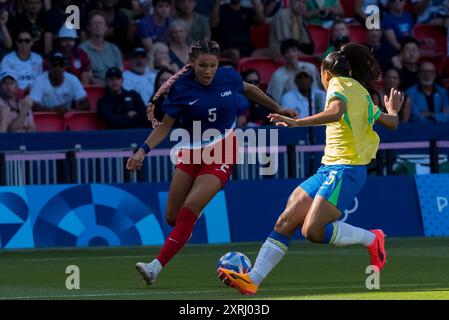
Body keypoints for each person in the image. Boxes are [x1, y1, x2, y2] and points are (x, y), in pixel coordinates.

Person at [218, 43, 404, 295]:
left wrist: (297, 122)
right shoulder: (360, 92)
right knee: (286, 220)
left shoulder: (338, 85)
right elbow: (390, 123)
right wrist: (392, 111)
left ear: (324, 74)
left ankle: (372, 239)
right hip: (328, 169)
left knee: (312, 231)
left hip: (346, 170)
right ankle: (252, 281)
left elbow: (336, 112)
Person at [126, 40, 296, 286]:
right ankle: (192, 214)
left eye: (213, 65)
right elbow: (165, 126)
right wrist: (142, 150)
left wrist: (277, 106)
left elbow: (248, 89)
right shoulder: (181, 88)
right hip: (191, 150)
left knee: (189, 210)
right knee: (173, 217)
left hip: (223, 150)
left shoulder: (228, 77)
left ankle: (155, 267)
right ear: (191, 63)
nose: (208, 71)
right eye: (203, 65)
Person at [267, 39, 320, 103]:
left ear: (298, 52)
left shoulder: (311, 68)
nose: (291, 54)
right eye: (287, 52)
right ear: (283, 55)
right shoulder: (278, 75)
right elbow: (275, 100)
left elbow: (318, 92)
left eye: (294, 51)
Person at [79, 12, 123, 85]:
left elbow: (120, 71)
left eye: (101, 23)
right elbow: (88, 76)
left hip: (115, 87)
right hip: (95, 89)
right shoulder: (82, 49)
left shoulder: (114, 48)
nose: (98, 26)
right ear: (88, 28)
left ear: (106, 28)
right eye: (94, 23)